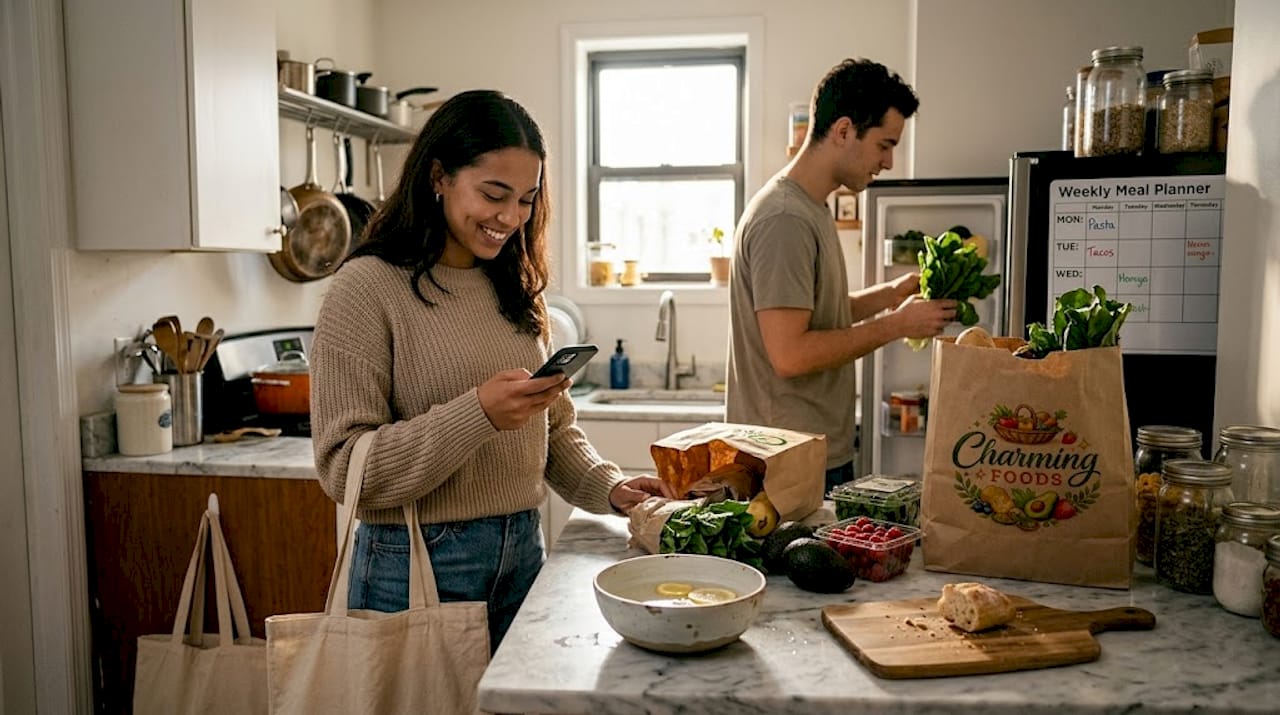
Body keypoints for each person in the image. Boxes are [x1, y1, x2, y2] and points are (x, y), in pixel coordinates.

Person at [310, 89, 672, 653]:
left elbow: (552, 431)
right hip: (413, 563)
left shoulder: (514, 287)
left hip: (522, 548)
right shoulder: (367, 288)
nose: (510, 218)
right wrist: (476, 414)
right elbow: (343, 469)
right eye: (493, 194)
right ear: (439, 176)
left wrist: (613, 487)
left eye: (526, 199)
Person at [726, 58, 957, 495]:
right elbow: (790, 353)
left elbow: (814, 315)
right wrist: (898, 325)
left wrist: (890, 294)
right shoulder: (784, 219)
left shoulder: (811, 206)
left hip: (808, 450)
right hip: (785, 460)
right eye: (884, 145)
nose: (888, 162)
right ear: (845, 131)